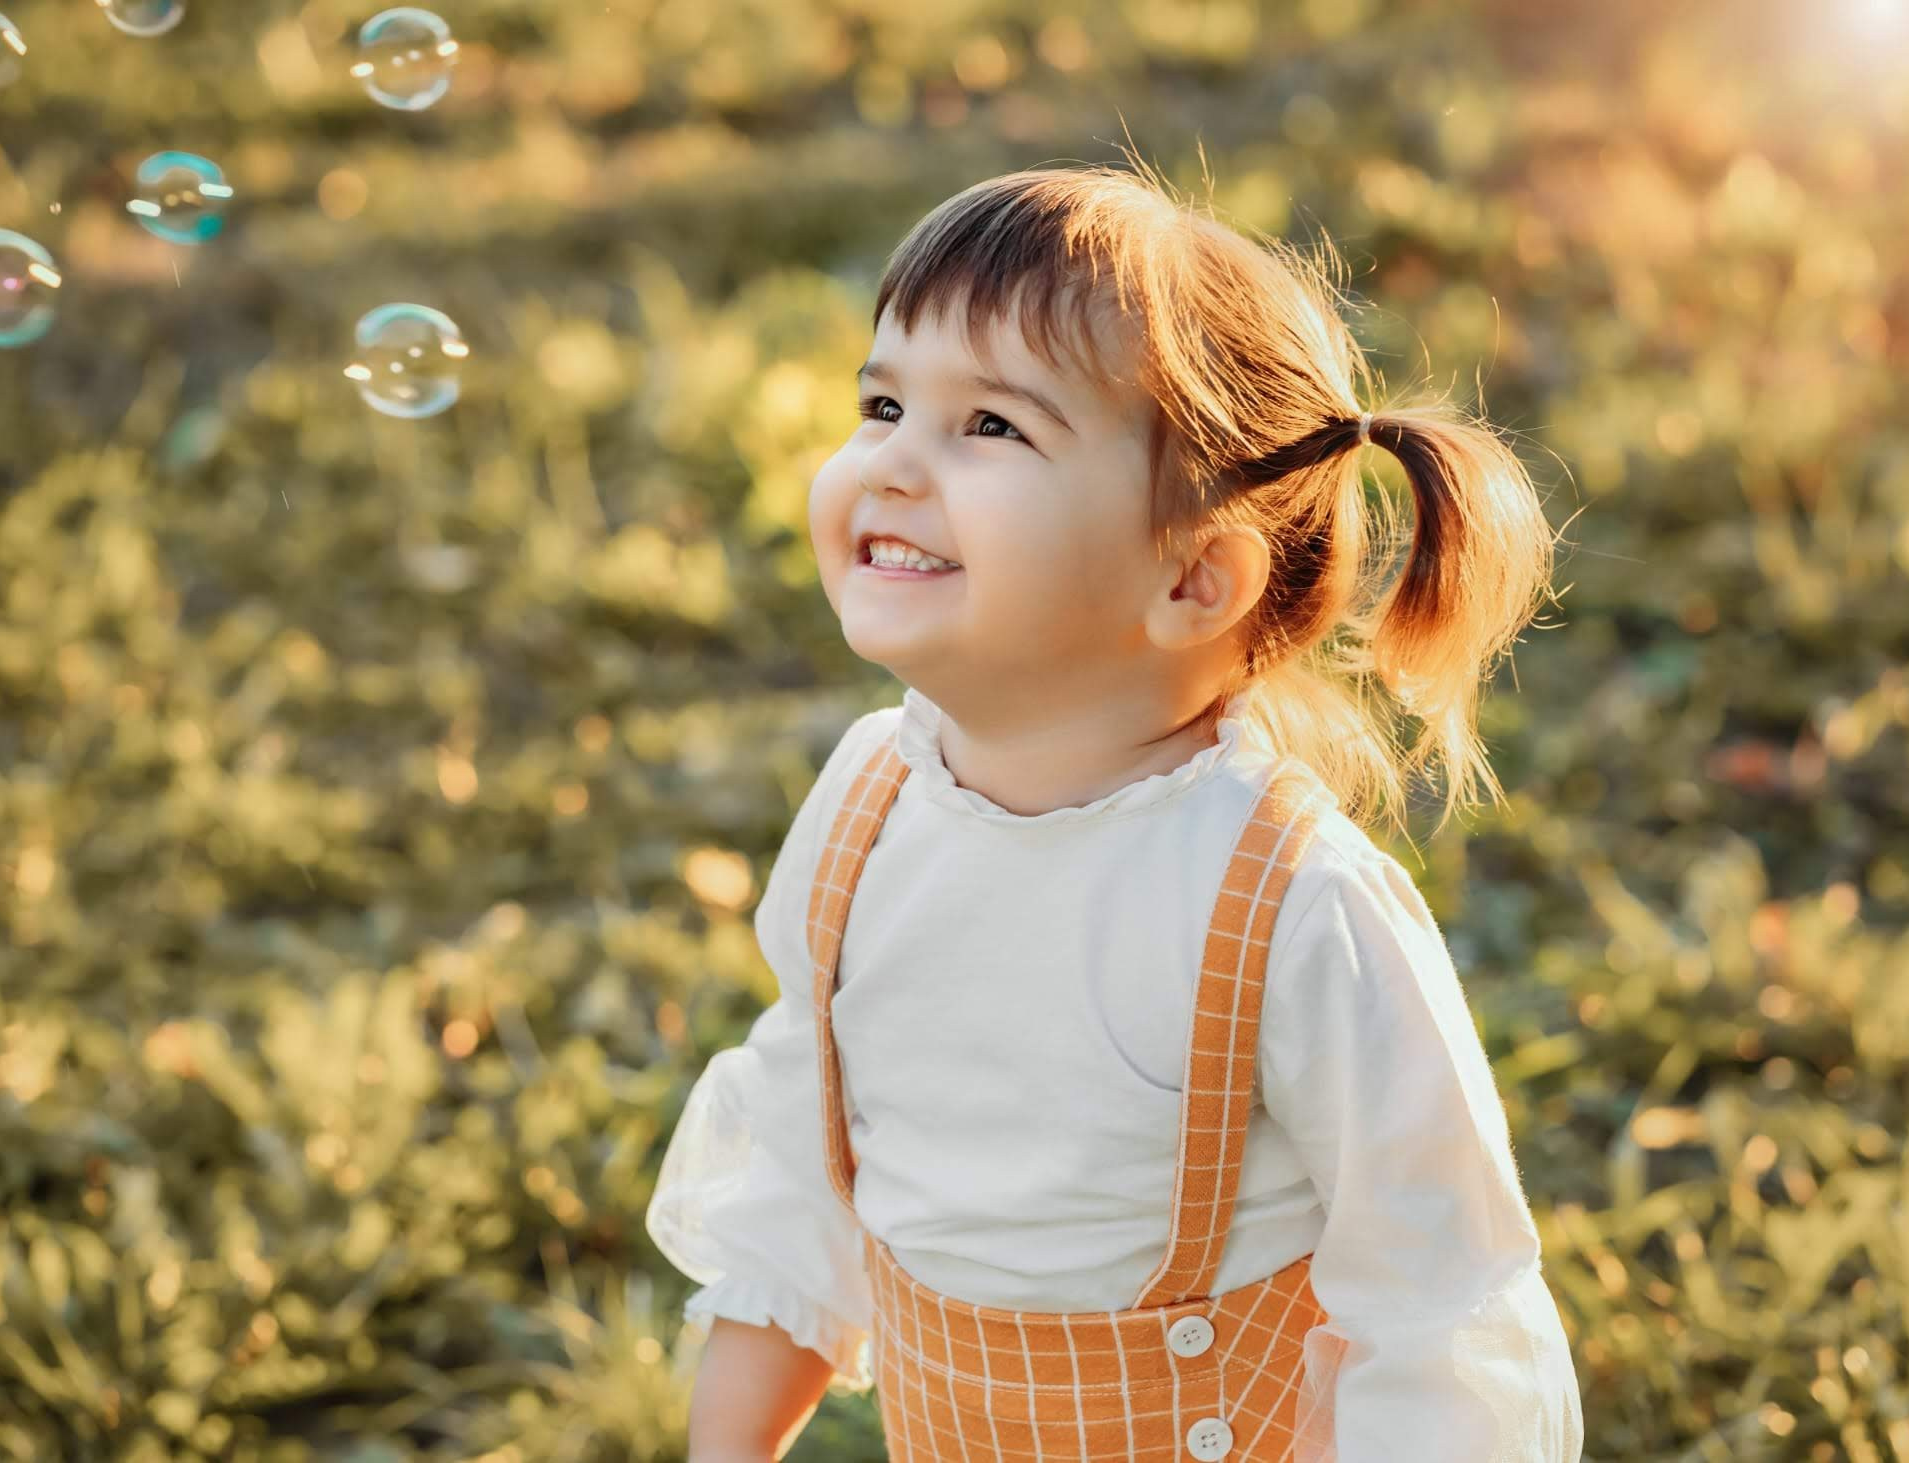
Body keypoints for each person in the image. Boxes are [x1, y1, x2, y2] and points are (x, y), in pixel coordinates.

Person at [645, 159, 1582, 1462]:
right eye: (884, 402)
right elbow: (804, 1178)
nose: (895, 465)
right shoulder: (867, 810)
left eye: (991, 428)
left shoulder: (1293, 904)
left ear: (1195, 578)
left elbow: (1434, 1296)